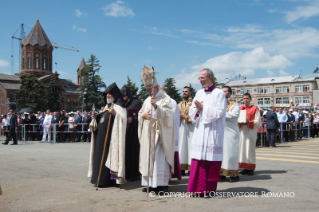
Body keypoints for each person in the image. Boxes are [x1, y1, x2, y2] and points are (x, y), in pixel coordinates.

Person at [187, 68, 226, 197]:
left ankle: (208, 190)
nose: (200, 80)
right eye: (199, 78)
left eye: (202, 77)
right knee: (198, 160)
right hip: (200, 131)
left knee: (210, 160)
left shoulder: (219, 93)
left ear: (210, 78)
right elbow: (192, 113)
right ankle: (196, 189)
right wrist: (197, 110)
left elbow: (220, 112)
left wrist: (204, 108)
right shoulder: (199, 93)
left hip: (212, 131)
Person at [138, 66, 175, 194]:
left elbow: (169, 115)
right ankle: (149, 184)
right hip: (148, 134)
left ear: (156, 87)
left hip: (160, 134)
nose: (148, 93)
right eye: (147, 90)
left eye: (150, 90)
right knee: (148, 158)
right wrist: (142, 116)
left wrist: (156, 107)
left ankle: (161, 185)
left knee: (159, 159)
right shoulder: (147, 99)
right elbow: (140, 113)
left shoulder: (165, 99)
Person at [88, 82, 127, 187]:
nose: (108, 95)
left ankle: (107, 180)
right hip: (101, 139)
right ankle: (97, 178)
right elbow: (102, 121)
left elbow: (123, 122)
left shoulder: (119, 108)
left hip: (110, 141)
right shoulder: (106, 107)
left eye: (110, 94)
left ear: (115, 95)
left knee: (106, 158)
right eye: (107, 94)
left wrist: (115, 115)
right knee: (99, 157)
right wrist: (95, 117)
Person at [159, 85, 182, 181]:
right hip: (158, 132)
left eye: (161, 90)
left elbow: (173, 118)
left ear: (165, 92)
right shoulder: (157, 101)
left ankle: (167, 176)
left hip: (168, 132)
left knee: (167, 154)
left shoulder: (172, 102)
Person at [120, 85, 141, 181]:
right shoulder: (121, 105)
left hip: (133, 134)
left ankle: (134, 174)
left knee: (133, 154)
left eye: (125, 95)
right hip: (124, 133)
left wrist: (133, 120)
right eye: (122, 95)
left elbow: (141, 117)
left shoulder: (135, 104)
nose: (123, 97)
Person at [220, 86, 240, 182]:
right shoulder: (218, 104)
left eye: (224, 91)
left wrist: (221, 113)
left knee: (231, 153)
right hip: (220, 131)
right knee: (220, 153)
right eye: (221, 91)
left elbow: (234, 115)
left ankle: (233, 174)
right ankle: (222, 174)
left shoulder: (234, 104)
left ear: (230, 93)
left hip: (231, 131)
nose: (222, 93)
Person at [238, 93, 261, 176]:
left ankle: (251, 167)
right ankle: (244, 167)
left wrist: (249, 122)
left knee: (250, 149)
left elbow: (258, 122)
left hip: (251, 131)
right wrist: (238, 123)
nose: (245, 100)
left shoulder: (255, 109)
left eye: (247, 98)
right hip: (242, 131)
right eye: (244, 98)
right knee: (242, 148)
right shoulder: (240, 108)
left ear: (250, 99)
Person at [178, 86, 195, 176]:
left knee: (190, 147)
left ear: (190, 93)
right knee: (181, 147)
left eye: (186, 91)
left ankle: (190, 168)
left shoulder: (194, 104)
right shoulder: (179, 104)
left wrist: (186, 117)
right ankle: (181, 168)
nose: (184, 93)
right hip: (181, 128)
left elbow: (197, 116)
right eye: (183, 91)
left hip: (191, 128)